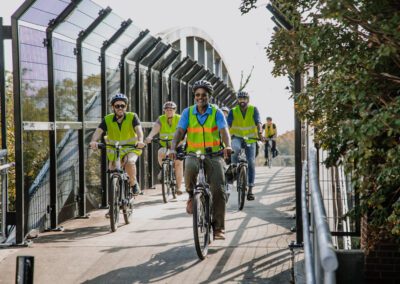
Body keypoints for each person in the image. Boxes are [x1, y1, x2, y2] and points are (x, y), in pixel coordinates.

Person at [170, 80, 232, 240]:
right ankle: (191, 196)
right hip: (193, 154)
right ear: (194, 96)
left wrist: (228, 146)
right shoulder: (188, 112)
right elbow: (179, 131)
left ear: (209, 96)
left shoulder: (216, 112)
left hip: (215, 155)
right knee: (189, 169)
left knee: (218, 189)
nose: (200, 97)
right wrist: (172, 148)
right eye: (197, 95)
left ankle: (218, 228)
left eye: (204, 95)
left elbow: (224, 131)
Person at [89, 93, 145, 196]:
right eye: (117, 106)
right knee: (113, 172)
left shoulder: (132, 116)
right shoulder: (107, 119)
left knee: (130, 162)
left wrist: (140, 141)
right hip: (114, 150)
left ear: (126, 107)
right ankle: (114, 203)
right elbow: (98, 132)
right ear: (113, 107)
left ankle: (133, 184)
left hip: (131, 148)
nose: (120, 108)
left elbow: (139, 130)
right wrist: (94, 141)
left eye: (122, 106)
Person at [227, 91, 264, 201]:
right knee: (236, 148)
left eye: (244, 99)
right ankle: (233, 168)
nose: (242, 101)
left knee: (251, 162)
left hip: (250, 138)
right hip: (237, 137)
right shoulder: (233, 111)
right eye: (240, 99)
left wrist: (260, 133)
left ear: (248, 100)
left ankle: (250, 189)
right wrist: (225, 136)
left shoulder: (253, 109)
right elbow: (228, 124)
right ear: (237, 100)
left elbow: (258, 123)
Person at [145, 101, 183, 195]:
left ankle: (178, 187)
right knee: (161, 153)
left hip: (178, 144)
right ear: (164, 110)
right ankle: (163, 169)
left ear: (175, 110)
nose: (169, 111)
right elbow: (155, 128)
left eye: (171, 109)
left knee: (178, 164)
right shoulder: (161, 119)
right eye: (167, 109)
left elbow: (184, 130)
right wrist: (150, 136)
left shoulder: (179, 118)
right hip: (165, 144)